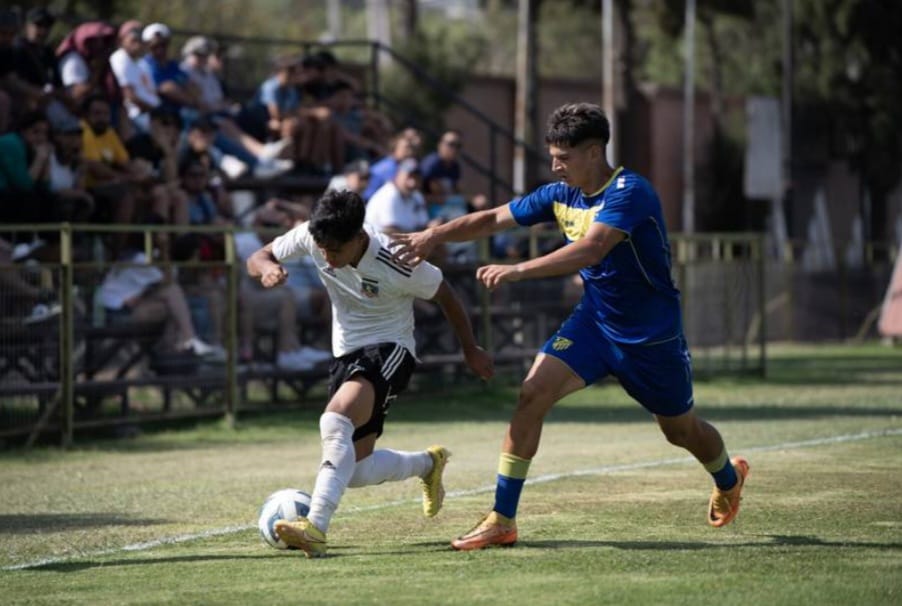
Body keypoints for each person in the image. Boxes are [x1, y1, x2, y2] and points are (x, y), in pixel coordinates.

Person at [390, 102, 750, 551]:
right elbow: (492, 218)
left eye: (564, 157)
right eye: (553, 156)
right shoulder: (560, 193)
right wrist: (435, 235)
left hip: (650, 336)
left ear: (595, 151)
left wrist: (518, 270)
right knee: (531, 394)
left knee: (680, 431)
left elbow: (591, 250)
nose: (555, 166)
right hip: (594, 324)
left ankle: (727, 478)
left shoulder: (630, 192)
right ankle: (502, 518)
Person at [246, 189, 494, 557]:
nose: (326, 259)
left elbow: (445, 294)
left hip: (391, 348)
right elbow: (258, 256)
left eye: (335, 251)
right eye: (322, 249)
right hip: (346, 352)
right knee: (356, 469)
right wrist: (267, 268)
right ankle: (429, 463)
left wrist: (470, 348)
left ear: (359, 238)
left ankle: (315, 526)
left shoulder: (395, 258)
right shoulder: (314, 235)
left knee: (335, 419)